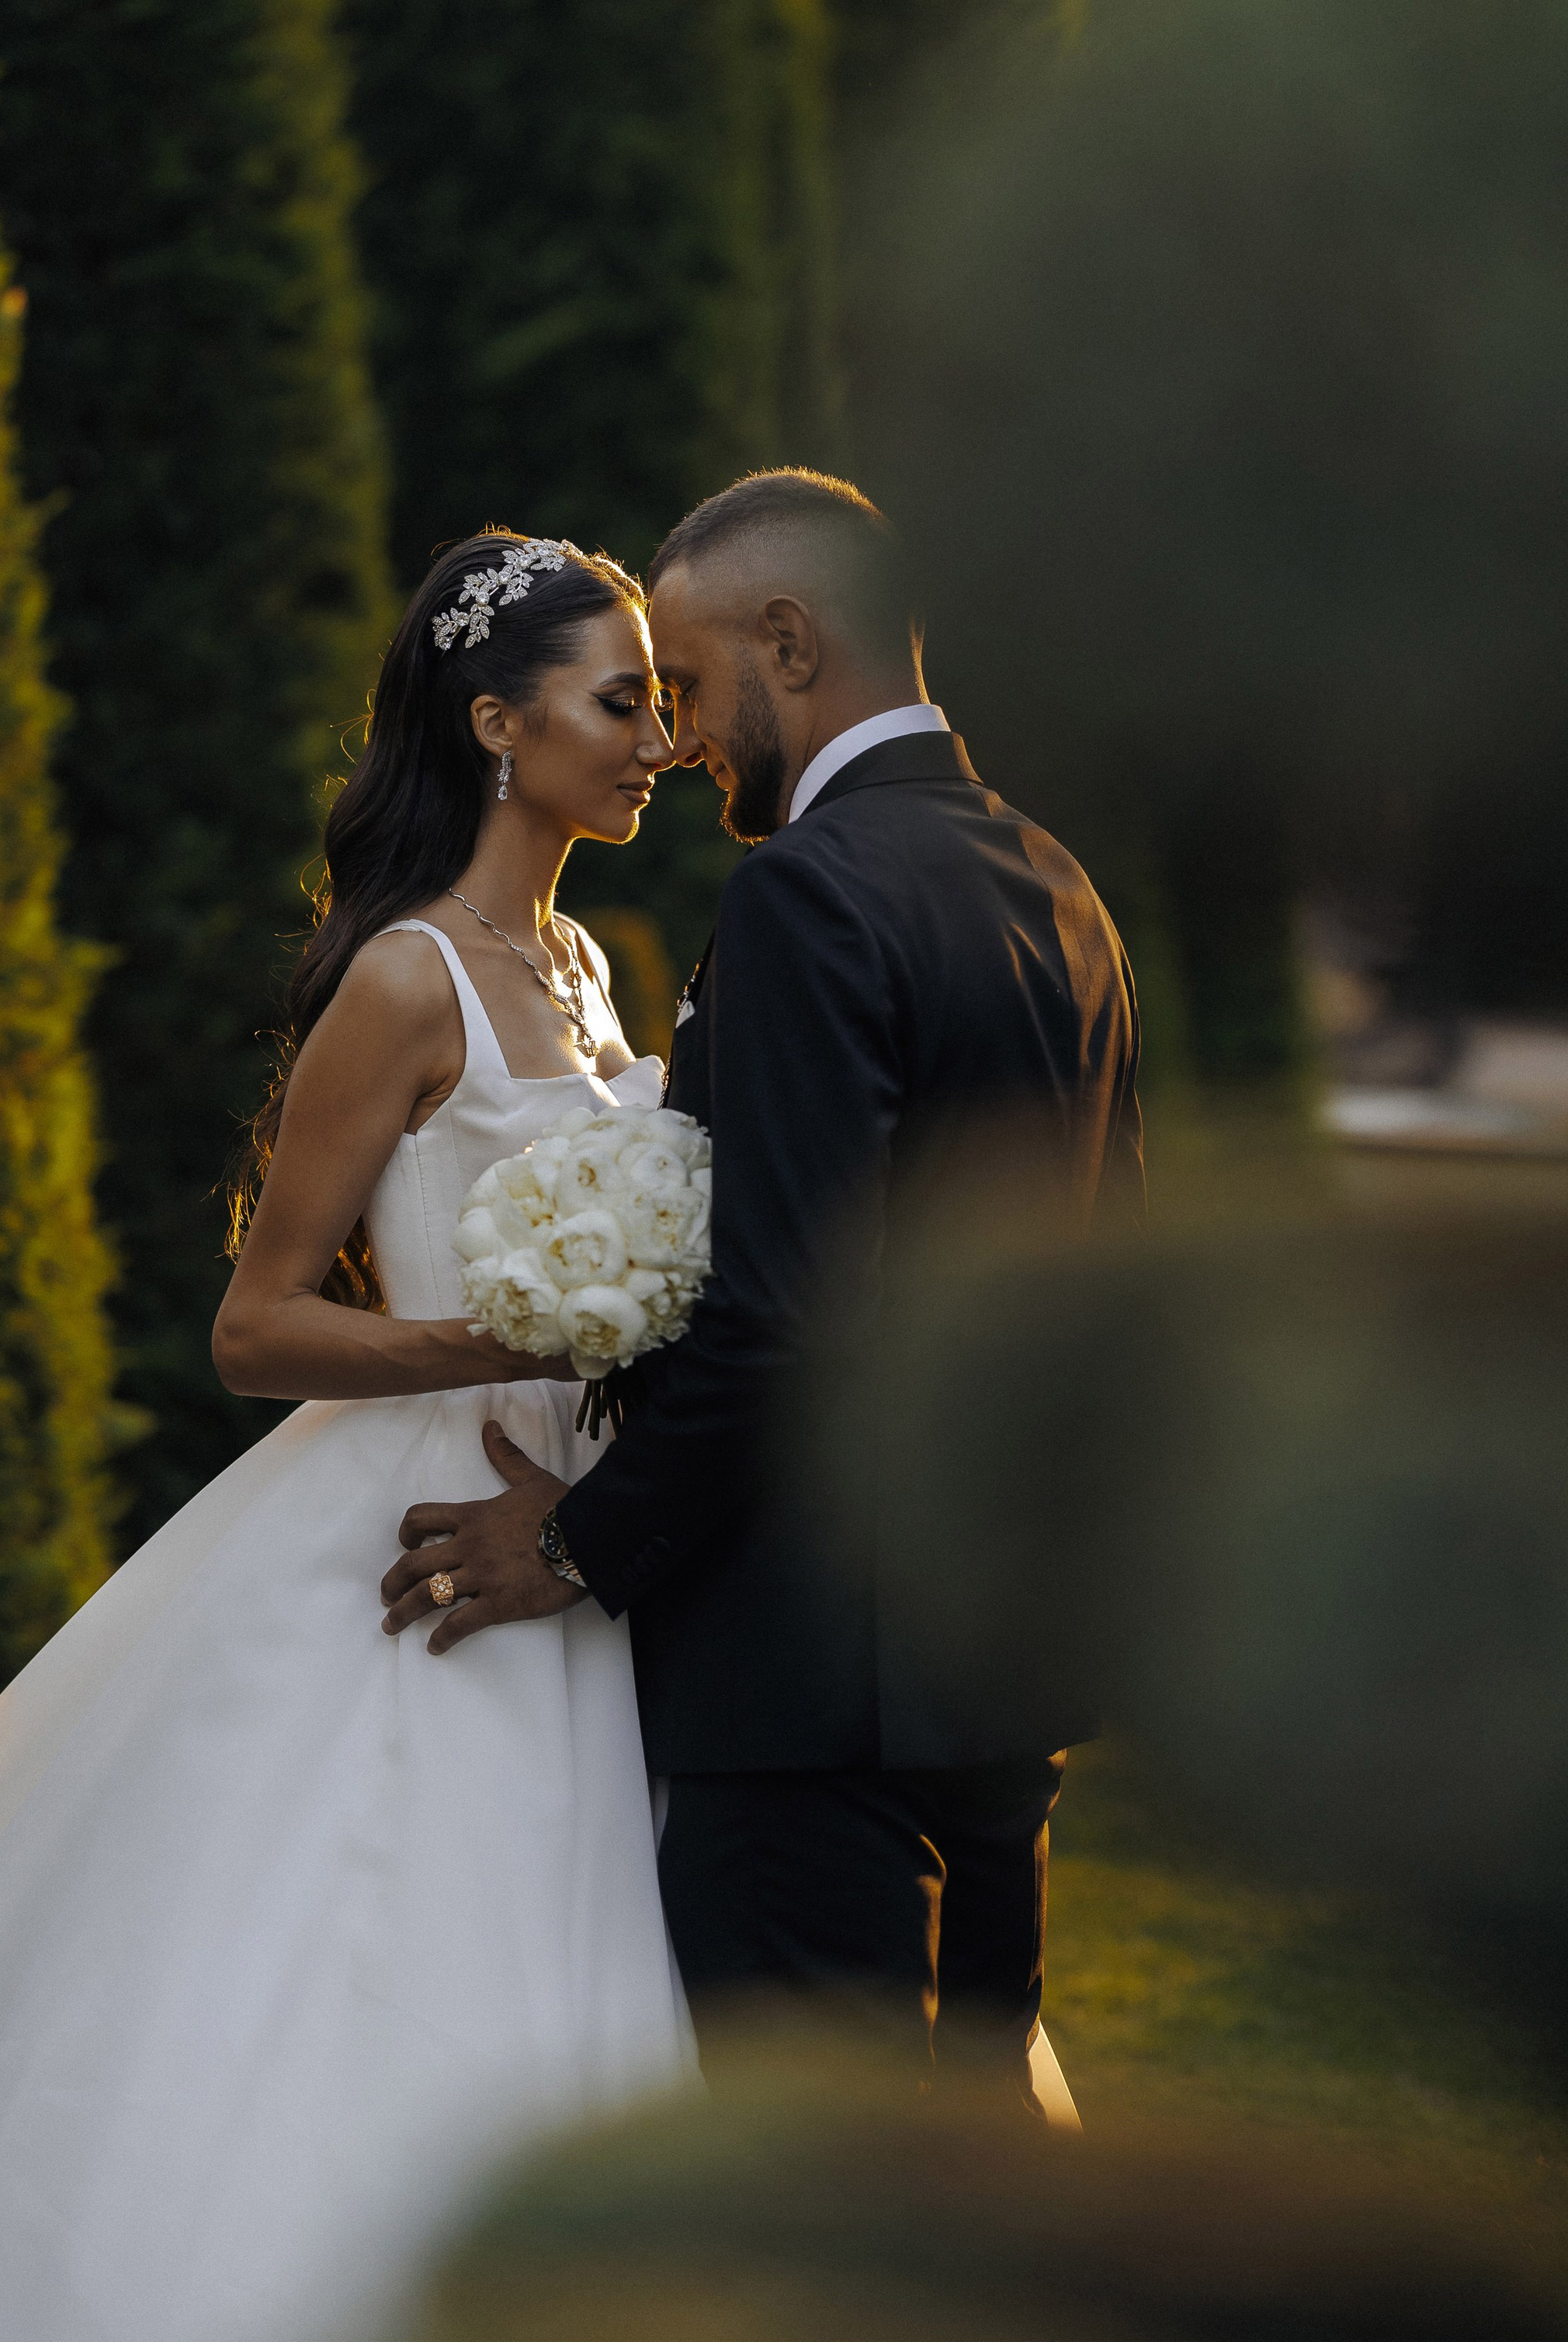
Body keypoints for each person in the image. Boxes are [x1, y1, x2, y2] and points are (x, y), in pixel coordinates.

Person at [0, 533, 690, 2342]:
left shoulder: (586, 960)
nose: (657, 735)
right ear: (498, 723)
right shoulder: (404, 980)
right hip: (417, 1531)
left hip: (570, 1545)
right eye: (621, 698)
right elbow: (255, 1322)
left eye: (661, 699)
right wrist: (491, 1337)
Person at [380, 470, 1143, 2092]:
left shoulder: (807, 895)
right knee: (966, 2188)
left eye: (695, 686)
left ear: (787, 641)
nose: (681, 737)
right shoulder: (1056, 890)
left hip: (808, 1708)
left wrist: (578, 1542)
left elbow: (778, 1314)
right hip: (996, 1685)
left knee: (826, 2219)